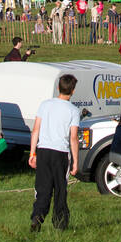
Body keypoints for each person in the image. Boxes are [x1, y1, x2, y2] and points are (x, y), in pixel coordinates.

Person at [29, 73, 80, 233]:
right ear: (73, 90)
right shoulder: (73, 110)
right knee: (60, 188)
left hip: (43, 151)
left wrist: (32, 153)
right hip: (61, 153)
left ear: (58, 87)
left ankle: (37, 216)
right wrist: (75, 162)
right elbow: (73, 138)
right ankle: (60, 223)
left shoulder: (45, 105)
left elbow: (35, 130)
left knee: (43, 188)